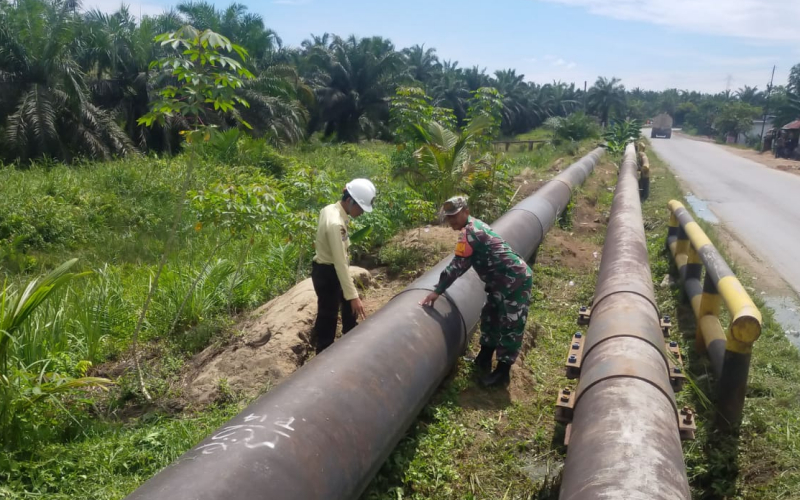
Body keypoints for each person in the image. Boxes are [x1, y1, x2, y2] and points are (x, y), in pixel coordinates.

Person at [420, 196, 533, 387]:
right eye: (448, 217)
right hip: (499, 282)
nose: (451, 220)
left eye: (455, 216)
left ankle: (502, 372)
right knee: (490, 316)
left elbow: (458, 266)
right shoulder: (473, 227)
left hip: (514, 280)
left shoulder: (471, 233)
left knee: (511, 324)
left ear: (466, 211)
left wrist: (437, 291)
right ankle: (484, 358)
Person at [311, 178, 376, 354]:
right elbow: (340, 263)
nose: (361, 212)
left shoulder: (330, 209)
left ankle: (351, 340)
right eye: (360, 208)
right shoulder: (336, 224)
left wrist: (351, 297)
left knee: (348, 308)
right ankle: (323, 352)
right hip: (328, 273)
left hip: (330, 269)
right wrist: (354, 297)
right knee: (329, 315)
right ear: (349, 201)